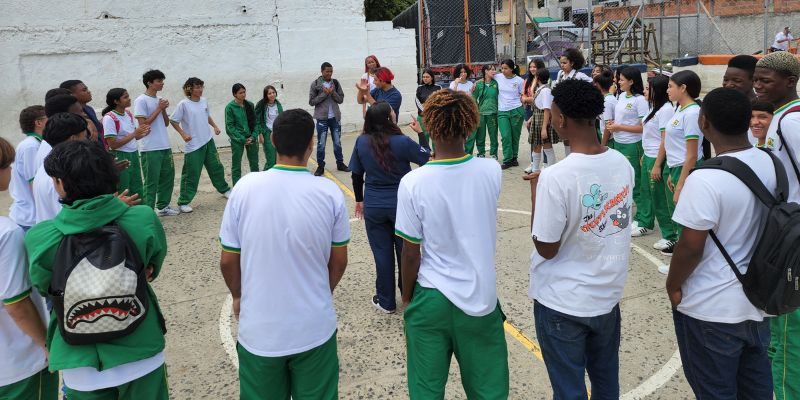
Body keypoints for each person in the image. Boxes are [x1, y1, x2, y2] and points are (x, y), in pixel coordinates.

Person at [219, 109, 349, 400]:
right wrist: (319, 292)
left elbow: (228, 260)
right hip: (314, 328)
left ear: (273, 140)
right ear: (312, 142)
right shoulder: (329, 193)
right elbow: (339, 261)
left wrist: (239, 296)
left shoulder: (245, 188)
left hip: (260, 331)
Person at [26, 139, 169, 399]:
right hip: (141, 350)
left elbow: (45, 284)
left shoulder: (41, 237)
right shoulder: (143, 218)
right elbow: (152, 264)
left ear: (59, 183)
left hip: (81, 364)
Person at [395, 89, 508, 399]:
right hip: (480, 299)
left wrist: (407, 300)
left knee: (426, 390)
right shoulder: (491, 171)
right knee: (489, 390)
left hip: (432, 297)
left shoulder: (413, 183)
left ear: (428, 125)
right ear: (470, 124)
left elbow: (410, 253)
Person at [526, 79, 634, 400]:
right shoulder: (621, 163)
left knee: (569, 390)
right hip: (606, 300)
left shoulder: (556, 176)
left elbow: (546, 247)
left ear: (560, 119)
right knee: (605, 383)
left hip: (563, 304)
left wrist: (536, 195)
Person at [666, 88, 774, 400]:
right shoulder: (770, 162)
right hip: (757, 302)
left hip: (711, 309)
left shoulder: (704, 178)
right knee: (755, 390)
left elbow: (690, 246)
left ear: (703, 122)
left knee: (715, 391)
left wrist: (673, 286)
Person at [350, 102, 429, 313]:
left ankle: (386, 301)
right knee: (407, 252)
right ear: (388, 118)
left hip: (374, 203)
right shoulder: (402, 141)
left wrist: (359, 200)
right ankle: (409, 295)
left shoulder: (361, 141)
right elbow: (427, 159)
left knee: (381, 253)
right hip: (400, 204)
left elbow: (356, 174)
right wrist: (421, 135)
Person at [755, 51, 800, 400]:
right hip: (788, 229)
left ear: (789, 81)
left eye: (765, 80)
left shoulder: (790, 122)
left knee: (787, 332)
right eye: (756, 78)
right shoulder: (781, 117)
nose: (757, 86)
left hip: (792, 236)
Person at [0, 137, 58, 400]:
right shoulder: (7, 233)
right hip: (18, 362)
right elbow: (16, 304)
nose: (11, 172)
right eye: (6, 166)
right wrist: (46, 344)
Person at [169, 77, 231, 213]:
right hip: (193, 144)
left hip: (208, 140)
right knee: (191, 173)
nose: (200, 90)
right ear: (189, 89)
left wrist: (214, 126)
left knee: (216, 167)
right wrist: (183, 134)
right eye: (197, 87)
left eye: (201, 87)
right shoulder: (183, 104)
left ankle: (225, 189)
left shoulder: (204, 101)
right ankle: (183, 202)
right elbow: (173, 120)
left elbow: (206, 115)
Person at [607, 67, 649, 237]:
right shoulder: (621, 96)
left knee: (636, 182)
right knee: (622, 182)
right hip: (618, 142)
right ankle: (626, 216)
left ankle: (642, 219)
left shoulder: (640, 101)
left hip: (633, 145)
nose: (618, 82)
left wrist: (619, 127)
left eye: (622, 79)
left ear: (632, 81)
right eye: (618, 79)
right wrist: (613, 126)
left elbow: (642, 127)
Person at [134, 69, 179, 217]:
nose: (162, 83)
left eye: (162, 81)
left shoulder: (159, 99)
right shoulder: (141, 100)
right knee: (151, 181)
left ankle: (163, 207)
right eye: (159, 81)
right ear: (149, 83)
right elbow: (143, 125)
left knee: (168, 177)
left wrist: (163, 109)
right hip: (150, 147)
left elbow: (165, 123)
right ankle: (148, 211)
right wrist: (159, 108)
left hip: (164, 144)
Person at [643, 75, 678, 261]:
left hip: (659, 158)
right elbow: (650, 136)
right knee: (656, 197)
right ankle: (668, 234)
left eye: (648, 89)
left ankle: (671, 236)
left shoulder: (665, 110)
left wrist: (657, 163)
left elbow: (665, 139)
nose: (645, 92)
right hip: (649, 156)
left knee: (663, 199)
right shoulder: (654, 109)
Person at [33, 113, 89, 224]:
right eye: (85, 137)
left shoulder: (48, 166)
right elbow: (72, 220)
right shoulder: (61, 176)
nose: (87, 142)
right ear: (73, 139)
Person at [665, 70, 704, 214]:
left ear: (683, 88)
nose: (667, 90)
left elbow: (692, 155)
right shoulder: (680, 109)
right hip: (677, 168)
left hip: (686, 168)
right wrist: (672, 172)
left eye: (670, 86)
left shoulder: (692, 113)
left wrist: (680, 185)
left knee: (686, 215)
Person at [102, 88, 149, 198]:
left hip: (133, 153)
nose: (129, 99)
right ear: (116, 101)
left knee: (137, 185)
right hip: (120, 155)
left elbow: (132, 137)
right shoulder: (109, 118)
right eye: (125, 97)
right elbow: (112, 144)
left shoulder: (127, 114)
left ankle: (139, 212)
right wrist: (134, 134)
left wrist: (143, 134)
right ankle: (125, 213)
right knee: (124, 187)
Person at [9, 106, 46, 230]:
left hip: (33, 215)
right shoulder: (30, 146)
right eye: (48, 118)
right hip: (30, 216)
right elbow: (34, 183)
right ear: (39, 123)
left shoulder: (36, 143)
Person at [309, 62, 348, 176]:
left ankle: (340, 163)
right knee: (321, 144)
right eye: (327, 71)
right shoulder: (315, 84)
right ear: (322, 71)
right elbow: (311, 102)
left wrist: (332, 92)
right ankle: (320, 166)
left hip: (335, 118)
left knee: (337, 142)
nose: (329, 73)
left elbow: (340, 99)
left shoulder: (335, 83)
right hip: (322, 118)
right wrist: (324, 94)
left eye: (331, 71)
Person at [525, 68, 559, 173]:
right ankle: (535, 170)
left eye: (535, 77)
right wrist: (531, 119)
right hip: (537, 119)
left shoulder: (545, 90)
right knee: (536, 146)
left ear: (537, 78)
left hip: (542, 121)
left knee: (547, 145)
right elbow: (538, 108)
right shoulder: (540, 89)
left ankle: (552, 169)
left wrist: (544, 128)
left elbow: (546, 110)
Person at [225, 83, 259, 184]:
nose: (243, 94)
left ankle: (256, 184)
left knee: (254, 163)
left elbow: (256, 123)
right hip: (237, 140)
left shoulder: (250, 105)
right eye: (240, 93)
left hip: (251, 138)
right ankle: (237, 188)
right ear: (234, 94)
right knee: (236, 165)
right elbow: (229, 127)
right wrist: (242, 139)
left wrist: (253, 136)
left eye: (244, 92)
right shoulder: (230, 108)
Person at [495, 59, 525, 170]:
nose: (503, 70)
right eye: (502, 68)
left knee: (515, 136)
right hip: (502, 111)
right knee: (506, 136)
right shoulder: (498, 77)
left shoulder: (520, 80)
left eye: (506, 68)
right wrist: (476, 84)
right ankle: (507, 160)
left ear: (512, 69)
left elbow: (523, 94)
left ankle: (514, 158)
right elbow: (486, 76)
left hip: (516, 110)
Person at [60, 80, 104, 146]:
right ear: (71, 95)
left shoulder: (89, 109)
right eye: (84, 90)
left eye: (87, 89)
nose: (89, 92)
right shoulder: (68, 116)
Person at [470, 64, 499, 158]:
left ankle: (494, 153)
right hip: (481, 113)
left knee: (493, 135)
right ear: (486, 71)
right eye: (492, 70)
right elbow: (473, 98)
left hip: (493, 113)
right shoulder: (478, 84)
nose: (494, 71)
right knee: (480, 135)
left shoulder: (496, 83)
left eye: (494, 70)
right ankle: (481, 152)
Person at [255, 85, 283, 171]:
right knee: (271, 160)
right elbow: (257, 120)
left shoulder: (278, 104)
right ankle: (265, 176)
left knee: (279, 159)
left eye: (273, 92)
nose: (272, 95)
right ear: (266, 95)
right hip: (267, 133)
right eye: (269, 93)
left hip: (278, 134)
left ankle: (274, 178)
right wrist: (260, 134)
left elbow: (282, 118)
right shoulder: (261, 105)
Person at [414, 68, 441, 151]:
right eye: (423, 77)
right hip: (422, 117)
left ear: (432, 77)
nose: (425, 78)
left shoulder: (438, 88)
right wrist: (425, 111)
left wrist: (430, 109)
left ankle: (436, 157)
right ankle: (425, 157)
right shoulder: (419, 88)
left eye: (427, 77)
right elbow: (417, 101)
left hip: (434, 117)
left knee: (435, 138)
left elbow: (440, 101)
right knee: (423, 138)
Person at [594, 70, 617, 146]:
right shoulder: (609, 98)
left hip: (610, 140)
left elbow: (608, 126)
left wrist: (603, 145)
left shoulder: (606, 101)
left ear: (599, 86)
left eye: (595, 84)